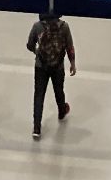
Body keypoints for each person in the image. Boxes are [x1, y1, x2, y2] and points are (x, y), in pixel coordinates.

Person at [25, 11, 75, 140]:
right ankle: (61, 111)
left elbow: (30, 45)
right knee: (59, 90)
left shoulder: (37, 26)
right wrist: (72, 63)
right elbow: (69, 47)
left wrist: (37, 51)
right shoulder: (64, 26)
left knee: (39, 95)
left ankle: (36, 128)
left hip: (41, 66)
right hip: (58, 66)